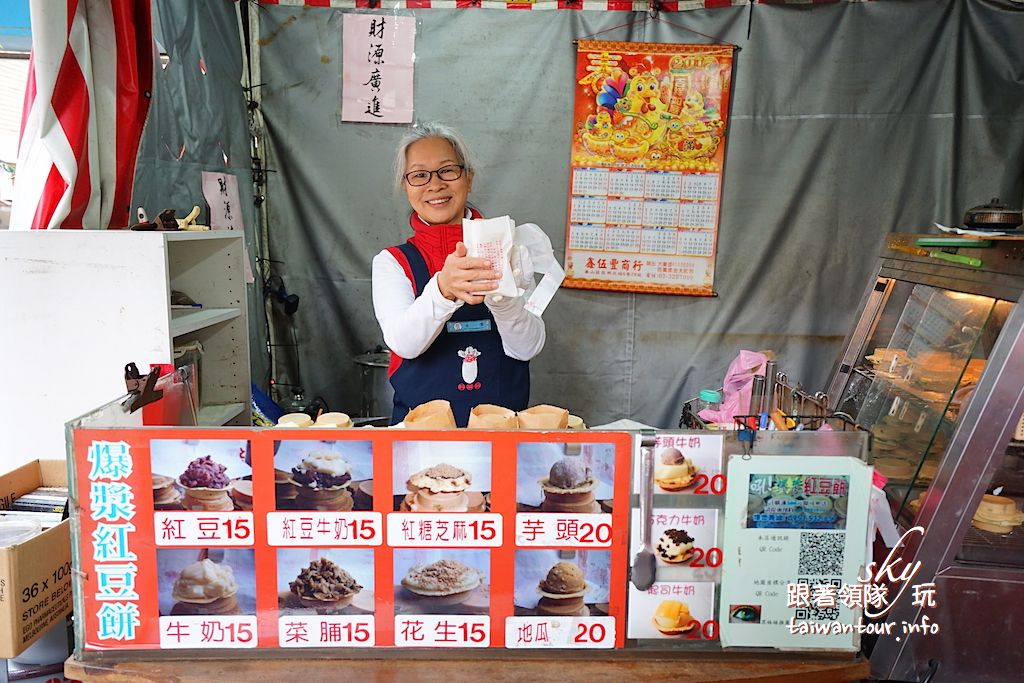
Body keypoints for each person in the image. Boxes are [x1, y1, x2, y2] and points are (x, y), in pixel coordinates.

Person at [372, 123, 546, 426]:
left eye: (447, 170)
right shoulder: (393, 262)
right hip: (420, 440)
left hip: (500, 437)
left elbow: (528, 346)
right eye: (419, 175)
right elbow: (405, 343)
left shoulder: (511, 248)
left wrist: (505, 301)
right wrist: (442, 289)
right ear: (406, 186)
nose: (435, 185)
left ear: (469, 177)